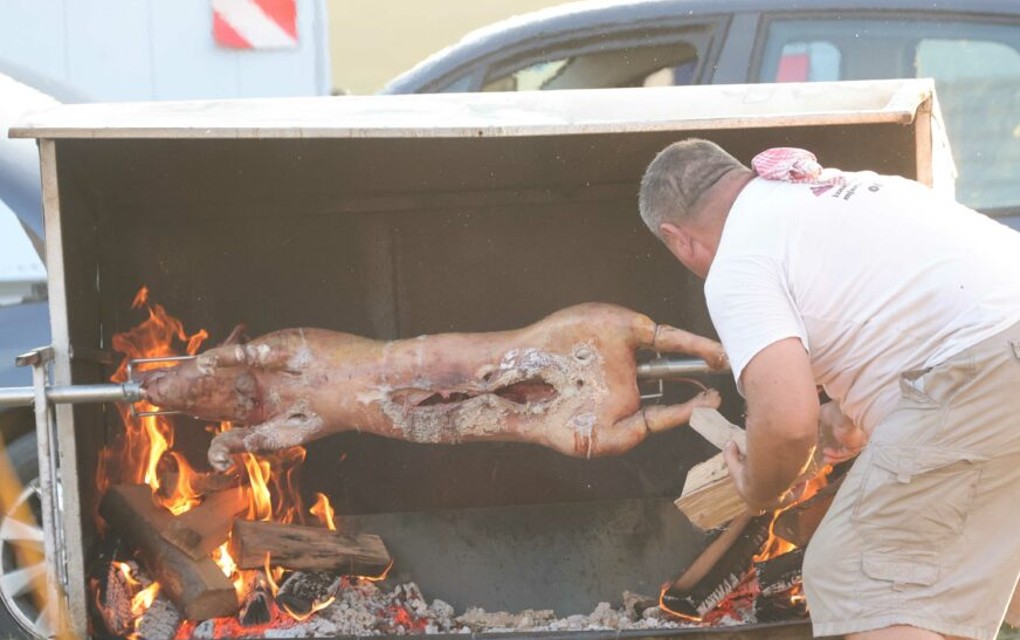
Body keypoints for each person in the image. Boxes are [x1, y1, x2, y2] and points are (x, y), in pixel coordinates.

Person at [638, 138, 1020, 640]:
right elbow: (915, 312)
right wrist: (844, 416)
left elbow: (786, 425)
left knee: (857, 575)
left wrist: (761, 485)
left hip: (984, 372)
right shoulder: (851, 189)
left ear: (678, 238)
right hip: (995, 363)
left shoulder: (737, 259)